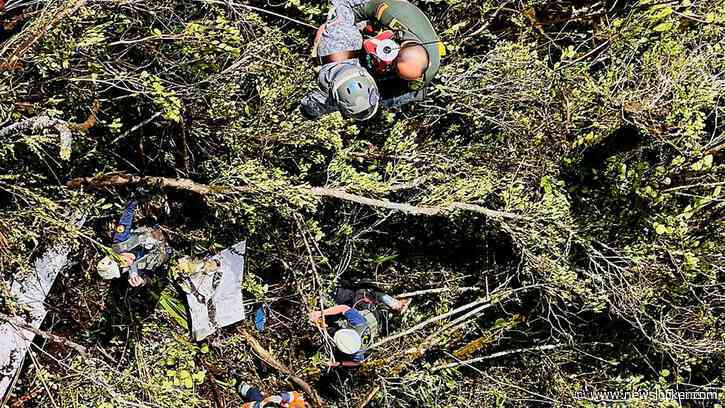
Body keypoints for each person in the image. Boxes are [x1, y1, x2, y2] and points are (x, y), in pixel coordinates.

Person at [334, 0, 445, 109]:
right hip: (394, 16)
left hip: (406, 86)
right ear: (397, 47)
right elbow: (360, 10)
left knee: (376, 97)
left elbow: (400, 88)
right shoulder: (395, 13)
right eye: (393, 66)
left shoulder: (424, 77)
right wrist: (340, 28)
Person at [299, 0, 381, 121]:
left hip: (341, 31)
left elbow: (347, 6)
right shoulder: (332, 95)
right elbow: (309, 108)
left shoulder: (341, 39)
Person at [308, 285, 410, 367]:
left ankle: (396, 305)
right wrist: (320, 313)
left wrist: (338, 363)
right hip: (374, 318)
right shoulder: (358, 326)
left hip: (376, 320)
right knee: (361, 293)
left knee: (364, 292)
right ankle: (397, 305)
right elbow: (343, 308)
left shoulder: (357, 345)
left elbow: (358, 363)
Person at [96, 199, 171, 287]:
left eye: (120, 264)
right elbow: (154, 280)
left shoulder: (121, 240)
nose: (126, 265)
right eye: (122, 270)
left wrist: (137, 199)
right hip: (170, 249)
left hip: (163, 227)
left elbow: (128, 212)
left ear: (115, 255)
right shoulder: (135, 271)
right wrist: (143, 281)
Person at [237, 382, 306, 408]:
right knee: (253, 392)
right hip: (271, 402)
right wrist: (282, 397)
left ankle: (240, 386)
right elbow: (297, 396)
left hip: (261, 403)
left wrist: (259, 405)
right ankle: (240, 385)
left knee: (254, 394)